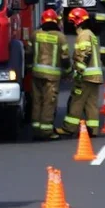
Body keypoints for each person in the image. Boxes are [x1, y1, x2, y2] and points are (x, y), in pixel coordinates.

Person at [60, 8, 103, 137]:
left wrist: (78, 72)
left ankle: (69, 128)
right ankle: (92, 129)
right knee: (91, 104)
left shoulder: (84, 34)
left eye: (72, 22)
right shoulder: (91, 34)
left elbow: (84, 54)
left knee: (76, 101)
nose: (71, 25)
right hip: (95, 77)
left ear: (76, 22)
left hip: (86, 76)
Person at [31, 9, 69, 140]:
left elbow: (29, 53)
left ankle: (36, 129)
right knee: (49, 102)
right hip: (52, 77)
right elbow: (65, 58)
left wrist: (30, 68)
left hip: (36, 75)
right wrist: (68, 72)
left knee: (37, 102)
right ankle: (46, 131)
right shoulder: (60, 37)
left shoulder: (35, 34)